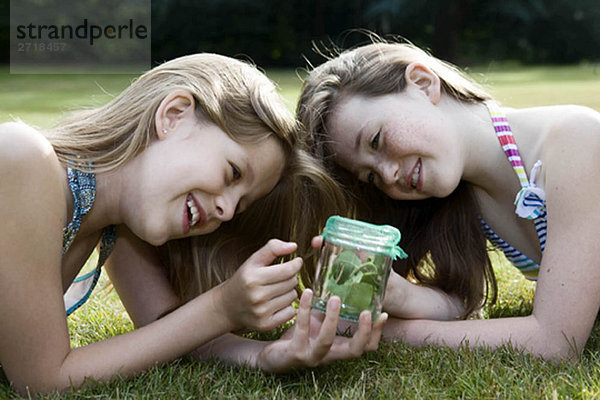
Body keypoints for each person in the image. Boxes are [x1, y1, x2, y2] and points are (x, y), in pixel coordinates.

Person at [0, 53, 386, 396]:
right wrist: (221, 307)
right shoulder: (22, 157)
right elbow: (43, 378)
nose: (228, 211)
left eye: (242, 203)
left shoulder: (114, 224)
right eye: (233, 173)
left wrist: (267, 354)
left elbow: (166, 329)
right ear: (174, 115)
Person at [297, 40, 600, 361]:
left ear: (422, 83)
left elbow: (555, 342)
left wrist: (387, 332)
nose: (386, 176)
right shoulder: (465, 197)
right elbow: (460, 303)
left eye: (376, 140)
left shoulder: (575, 140)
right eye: (370, 176)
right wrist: (396, 295)